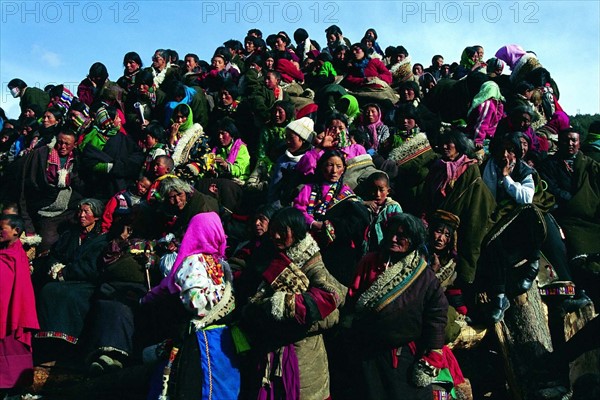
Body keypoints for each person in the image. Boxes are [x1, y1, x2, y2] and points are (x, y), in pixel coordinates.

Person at [241, 207, 346, 399]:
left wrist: (284, 306)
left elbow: (330, 303)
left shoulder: (313, 262)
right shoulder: (265, 255)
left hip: (302, 353)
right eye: (274, 230)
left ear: (297, 231)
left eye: (283, 231)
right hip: (267, 350)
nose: (277, 236)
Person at [344, 213, 448, 399]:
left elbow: (437, 316)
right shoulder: (370, 262)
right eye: (391, 233)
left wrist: (433, 355)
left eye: (401, 236)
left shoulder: (424, 276)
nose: (393, 239)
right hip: (367, 352)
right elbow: (353, 298)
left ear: (414, 240)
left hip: (402, 356)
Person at [143, 212, 241, 399]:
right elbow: (196, 302)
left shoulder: (219, 262)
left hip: (222, 338)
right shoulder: (193, 262)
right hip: (203, 339)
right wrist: (219, 295)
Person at [34, 199, 108, 358]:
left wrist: (65, 273)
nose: (81, 215)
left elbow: (92, 267)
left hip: (85, 282)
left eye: (86, 212)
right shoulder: (70, 234)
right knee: (47, 289)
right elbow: (54, 254)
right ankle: (48, 341)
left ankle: (70, 340)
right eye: (80, 211)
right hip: (64, 280)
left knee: (67, 295)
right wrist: (54, 266)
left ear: (96, 216)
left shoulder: (102, 239)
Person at [294, 149, 370, 285]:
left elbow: (352, 222)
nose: (334, 170)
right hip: (309, 241)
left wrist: (331, 226)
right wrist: (313, 223)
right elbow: (299, 210)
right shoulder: (309, 188)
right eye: (329, 165)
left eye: (338, 166)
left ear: (343, 169)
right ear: (321, 166)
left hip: (338, 247)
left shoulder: (346, 192)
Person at [19, 129, 85, 252]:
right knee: (47, 242)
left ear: (74, 145)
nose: (63, 147)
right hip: (47, 212)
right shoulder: (41, 155)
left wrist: (70, 179)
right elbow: (27, 186)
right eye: (60, 143)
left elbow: (82, 184)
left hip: (69, 208)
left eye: (67, 144)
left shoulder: (76, 158)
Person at [0, 214, 39, 394]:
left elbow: (21, 288)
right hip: (3, 306)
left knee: (11, 346)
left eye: (2, 229)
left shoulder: (17, 255)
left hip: (12, 310)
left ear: (16, 231)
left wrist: (16, 313)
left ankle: (15, 388)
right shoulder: (5, 252)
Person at [359, 172, 403, 252]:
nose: (377, 194)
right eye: (373, 189)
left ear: (388, 191)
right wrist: (365, 203)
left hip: (384, 250)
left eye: (381, 190)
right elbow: (350, 200)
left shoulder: (393, 208)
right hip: (366, 250)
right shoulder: (366, 204)